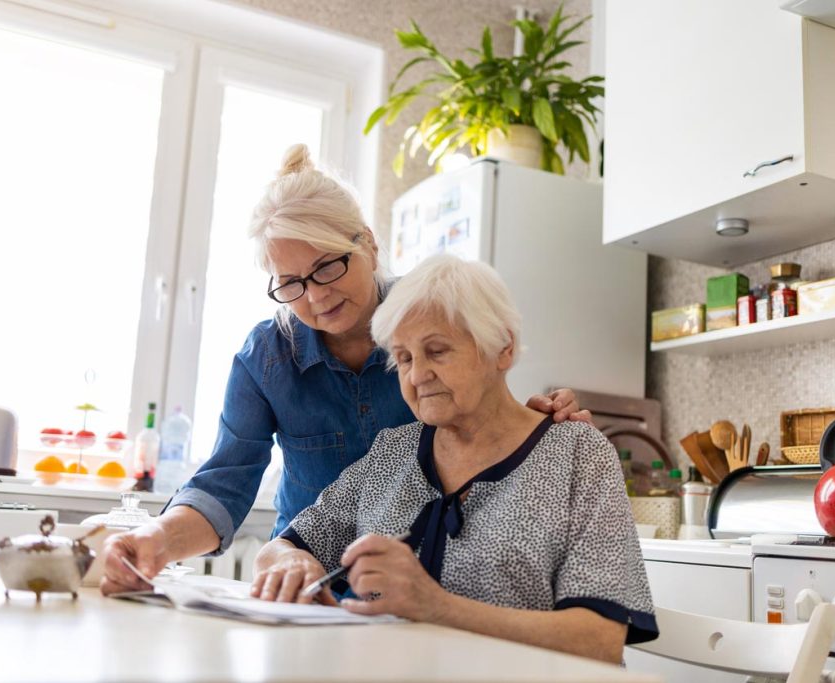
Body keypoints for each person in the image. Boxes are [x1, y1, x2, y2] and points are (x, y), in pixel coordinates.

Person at [100, 145, 588, 595]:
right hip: (308, 585)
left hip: (423, 593)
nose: (315, 296)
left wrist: (536, 426)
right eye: (290, 283)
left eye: (328, 266)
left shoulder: (428, 319)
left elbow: (485, 425)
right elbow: (223, 484)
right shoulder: (267, 357)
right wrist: (155, 540)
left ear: (369, 246)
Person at [250, 254, 657, 663]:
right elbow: (284, 545)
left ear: (503, 348)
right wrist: (290, 565)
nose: (416, 375)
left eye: (437, 351)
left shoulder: (578, 453)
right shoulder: (393, 451)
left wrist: (436, 606)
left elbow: (600, 638)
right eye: (405, 357)